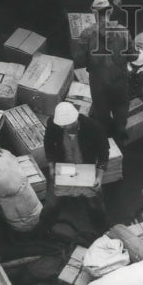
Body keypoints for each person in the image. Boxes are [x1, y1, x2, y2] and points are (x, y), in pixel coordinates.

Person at [40, 101, 110, 237]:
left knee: (95, 206)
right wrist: (51, 166)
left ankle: (104, 232)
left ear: (75, 120)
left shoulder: (93, 128)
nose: (63, 128)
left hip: (85, 168)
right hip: (64, 168)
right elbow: (48, 145)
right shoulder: (54, 125)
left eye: (66, 125)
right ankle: (43, 231)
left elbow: (103, 153)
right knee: (52, 205)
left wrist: (99, 178)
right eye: (61, 126)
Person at [74, 0, 136, 144]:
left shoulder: (87, 34)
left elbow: (79, 61)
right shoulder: (123, 31)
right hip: (120, 80)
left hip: (98, 81)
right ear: (111, 11)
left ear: (93, 13)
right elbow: (133, 56)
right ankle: (120, 133)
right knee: (121, 107)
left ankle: (105, 140)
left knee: (101, 111)